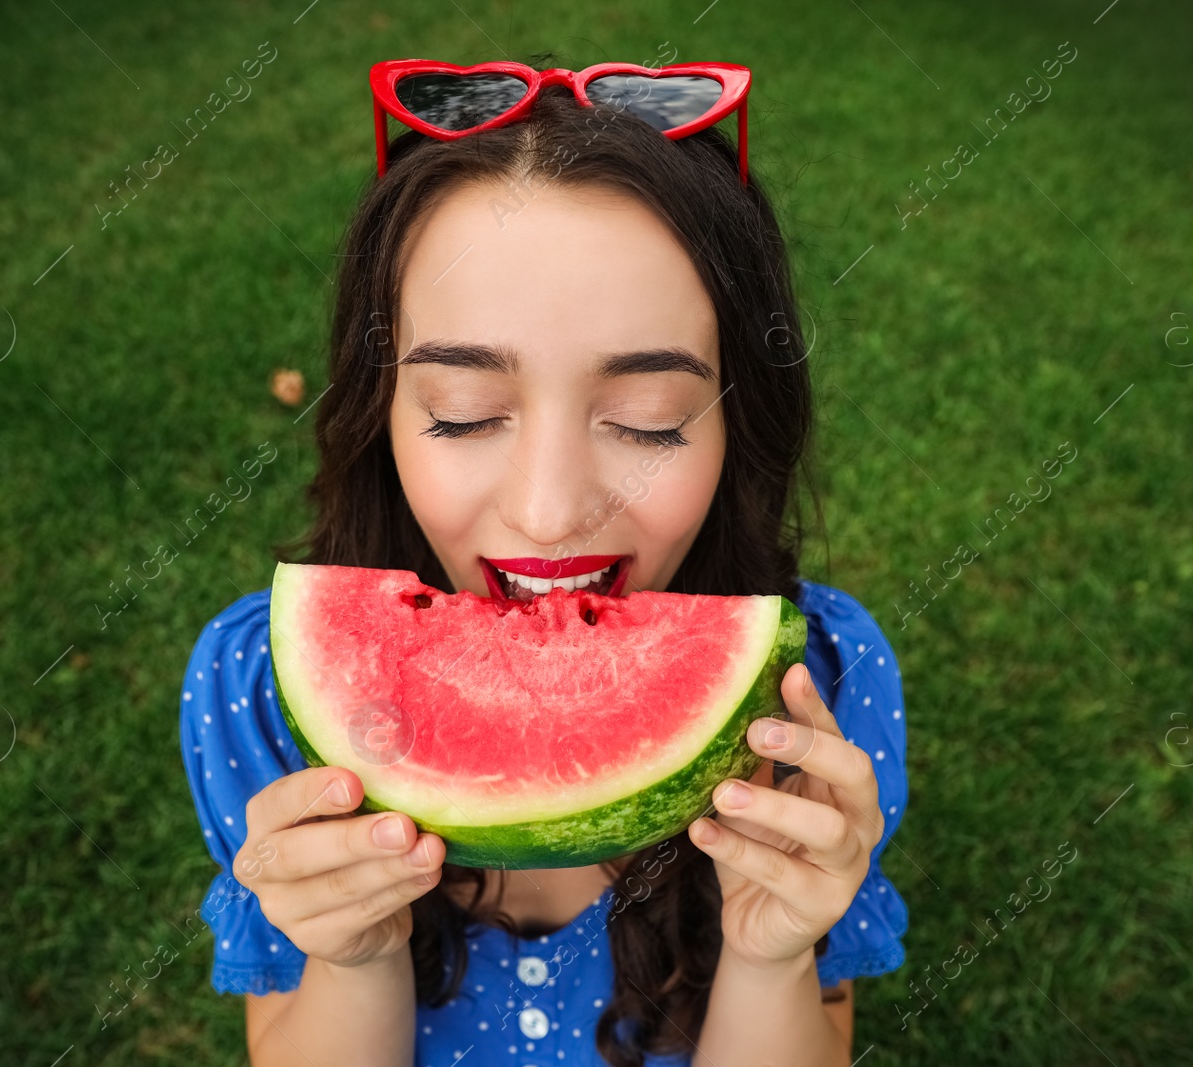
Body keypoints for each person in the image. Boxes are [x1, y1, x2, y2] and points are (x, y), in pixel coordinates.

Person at [180, 59, 908, 1067]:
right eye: (464, 413)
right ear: (378, 411)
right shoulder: (260, 690)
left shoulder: (815, 689)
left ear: (739, 424)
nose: (549, 509)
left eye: (648, 421)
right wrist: (351, 960)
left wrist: (772, 956)